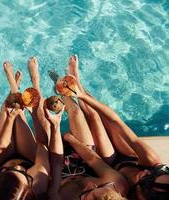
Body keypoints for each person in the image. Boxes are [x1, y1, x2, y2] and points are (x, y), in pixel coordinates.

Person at [68, 55, 169, 199]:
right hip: (129, 158)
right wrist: (83, 96)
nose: (147, 174)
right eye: (155, 173)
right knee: (101, 116)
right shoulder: (152, 161)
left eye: (147, 181)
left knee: (94, 118)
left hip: (110, 167)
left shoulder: (127, 194)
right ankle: (77, 82)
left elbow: (95, 163)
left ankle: (74, 90)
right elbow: (117, 122)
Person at [48, 55, 128, 200]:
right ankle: (66, 86)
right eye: (100, 187)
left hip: (59, 172)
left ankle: (59, 86)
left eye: (90, 194)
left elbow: (53, 187)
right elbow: (93, 160)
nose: (92, 185)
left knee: (67, 116)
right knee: (80, 113)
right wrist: (70, 139)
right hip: (85, 165)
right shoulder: (116, 185)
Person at [0, 57, 51, 199]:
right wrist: (34, 113)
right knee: (40, 117)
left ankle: (14, 88)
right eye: (22, 174)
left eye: (9, 171)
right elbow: (42, 144)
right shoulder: (39, 181)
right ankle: (34, 81)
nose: (17, 167)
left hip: (2, 157)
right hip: (29, 158)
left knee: (7, 111)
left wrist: (10, 117)